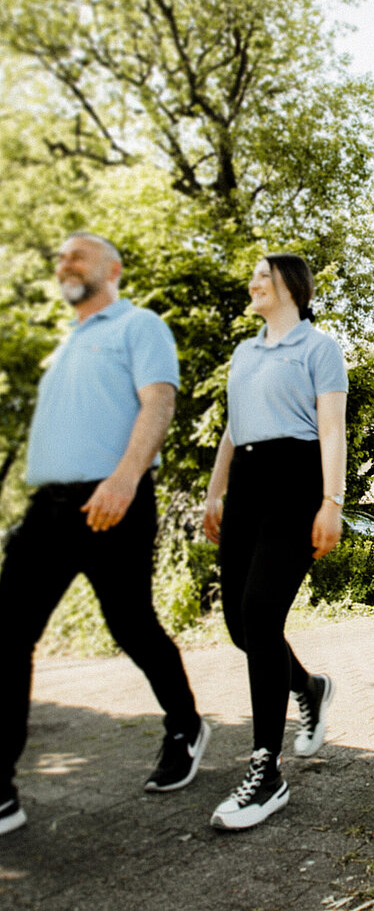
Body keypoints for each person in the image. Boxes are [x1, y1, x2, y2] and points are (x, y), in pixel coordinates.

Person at [0, 232, 209, 837]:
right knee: (8, 633)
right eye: (60, 257)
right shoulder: (66, 344)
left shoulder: (137, 325)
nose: (64, 263)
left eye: (77, 255)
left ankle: (185, 724)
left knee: (131, 625)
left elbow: (158, 402)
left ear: (112, 268)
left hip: (114, 498)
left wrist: (123, 479)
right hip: (50, 508)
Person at [203, 252, 347, 831]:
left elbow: (332, 427)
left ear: (292, 285)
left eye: (264, 274)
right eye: (254, 276)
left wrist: (331, 502)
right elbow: (234, 429)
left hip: (295, 485)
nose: (254, 282)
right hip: (245, 488)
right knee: (240, 625)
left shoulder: (319, 348)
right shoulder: (244, 352)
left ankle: (267, 770)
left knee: (261, 614)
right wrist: (215, 494)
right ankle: (309, 687)